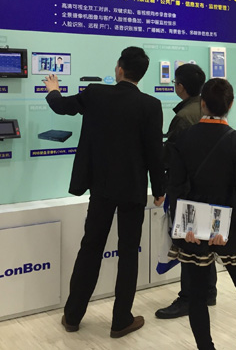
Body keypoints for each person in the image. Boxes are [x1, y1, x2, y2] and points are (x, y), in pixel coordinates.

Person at [43, 46, 165, 338]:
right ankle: (121, 320)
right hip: (133, 189)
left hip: (101, 187)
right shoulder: (151, 105)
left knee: (91, 248)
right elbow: (154, 152)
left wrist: (53, 90)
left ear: (120, 68)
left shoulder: (96, 93)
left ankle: (73, 316)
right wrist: (159, 188)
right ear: (141, 74)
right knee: (128, 254)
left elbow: (61, 106)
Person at [167, 78, 236, 350]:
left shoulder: (183, 138)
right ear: (230, 104)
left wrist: (186, 225)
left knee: (196, 296)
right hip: (231, 224)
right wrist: (222, 227)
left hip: (193, 225)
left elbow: (176, 186)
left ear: (202, 103)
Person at [156, 63, 218, 320]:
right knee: (204, 242)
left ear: (180, 87)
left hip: (187, 190)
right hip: (207, 188)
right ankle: (208, 292)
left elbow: (170, 156)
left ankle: (188, 298)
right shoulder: (208, 108)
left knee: (188, 245)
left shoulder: (183, 117)